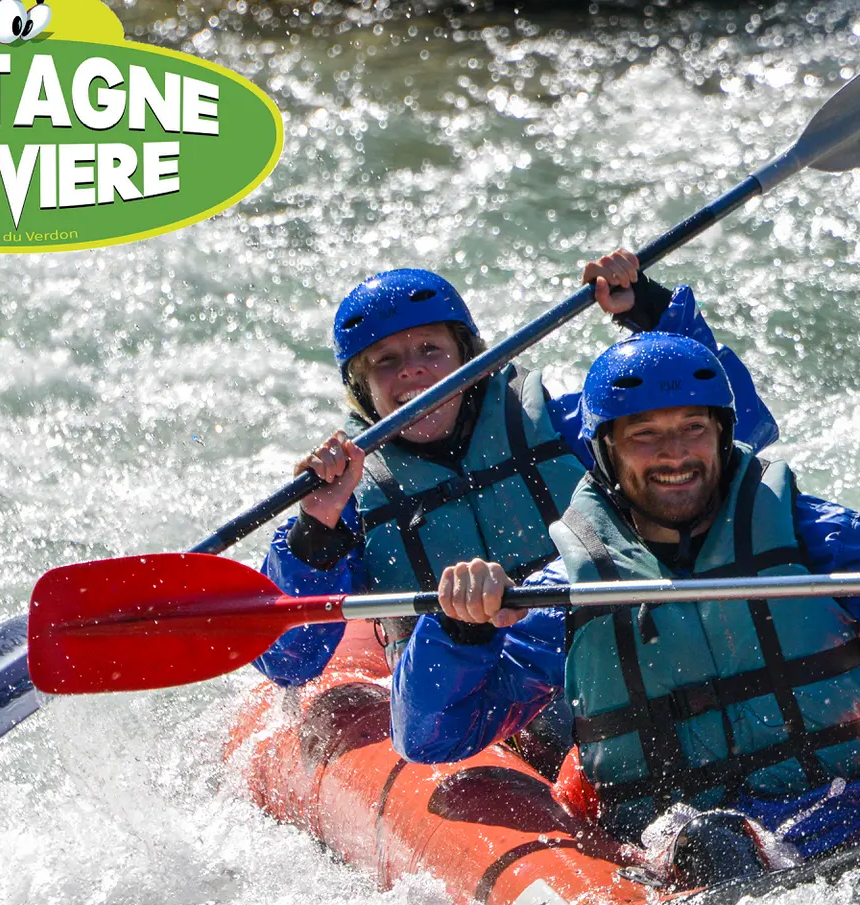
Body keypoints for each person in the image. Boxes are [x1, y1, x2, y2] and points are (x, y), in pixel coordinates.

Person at [389, 332, 860, 883]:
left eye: (692, 429)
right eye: (645, 436)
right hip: (673, 856)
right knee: (714, 846)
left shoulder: (817, 540)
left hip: (847, 822)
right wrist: (458, 632)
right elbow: (431, 737)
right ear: (605, 451)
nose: (674, 454)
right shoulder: (571, 591)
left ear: (724, 435)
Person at [252, 252, 777, 774]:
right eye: (385, 361)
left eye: (430, 349)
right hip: (466, 695)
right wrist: (314, 530)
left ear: (468, 355)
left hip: (593, 651)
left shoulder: (559, 427)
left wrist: (650, 311)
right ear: (361, 390)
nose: (411, 368)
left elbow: (735, 430)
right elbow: (289, 662)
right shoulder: (348, 499)